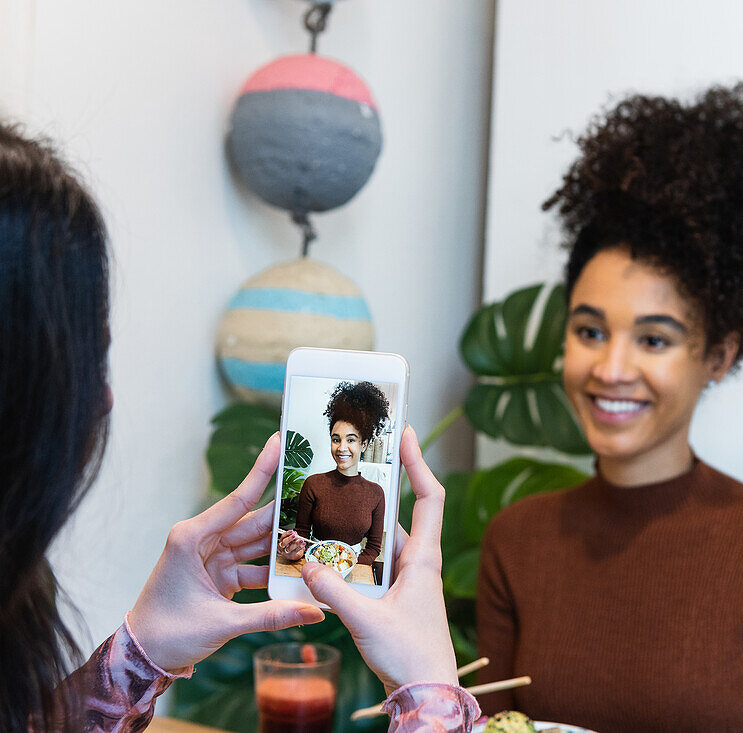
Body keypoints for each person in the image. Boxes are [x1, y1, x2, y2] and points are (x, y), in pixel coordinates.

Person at [0, 122, 477, 732]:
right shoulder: (310, 489)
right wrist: (431, 697)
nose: (104, 400)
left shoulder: (377, 497)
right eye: (86, 360)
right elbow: (294, 542)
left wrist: (140, 655)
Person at [476, 84, 743, 731]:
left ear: (717, 355)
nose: (610, 368)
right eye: (589, 330)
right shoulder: (517, 543)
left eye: (654, 339)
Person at [279, 381, 389, 568]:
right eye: (336, 439)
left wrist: (344, 564)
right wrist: (294, 549)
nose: (341, 448)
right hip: (314, 564)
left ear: (364, 444)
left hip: (350, 569)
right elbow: (302, 534)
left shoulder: (376, 493)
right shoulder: (313, 484)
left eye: (351, 440)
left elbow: (373, 549)